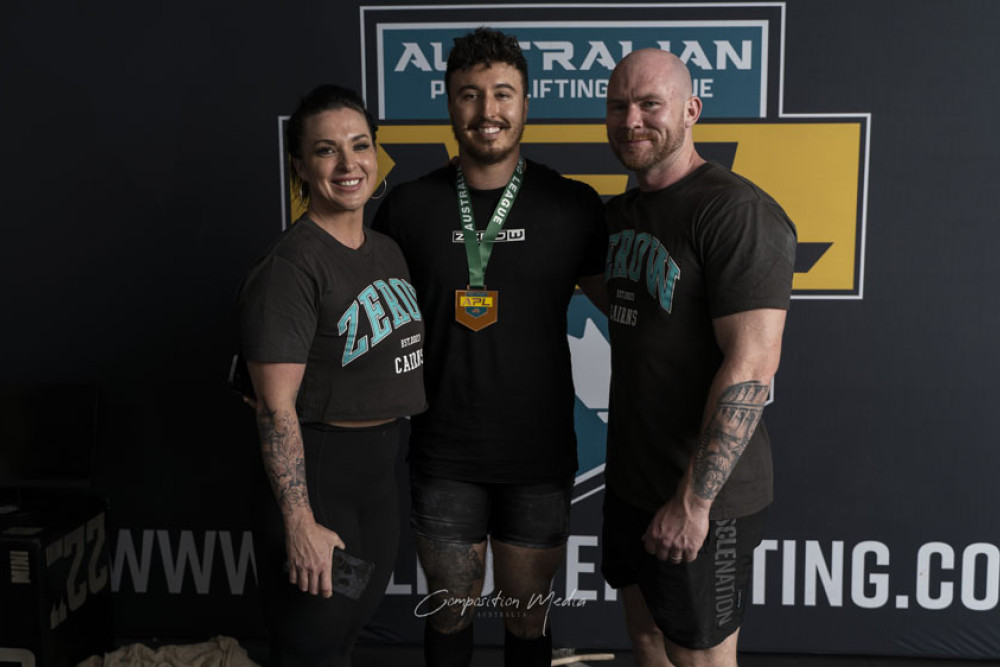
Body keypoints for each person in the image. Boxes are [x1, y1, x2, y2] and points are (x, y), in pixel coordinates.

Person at [371, 28, 607, 667]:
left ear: (527, 104)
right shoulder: (407, 209)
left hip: (539, 454)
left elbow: (632, 312)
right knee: (450, 615)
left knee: (527, 623)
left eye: (503, 93)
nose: (487, 111)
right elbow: (360, 313)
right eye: (469, 95)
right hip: (444, 450)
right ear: (449, 105)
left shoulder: (574, 206)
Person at [600, 49, 797, 667]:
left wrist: (693, 504)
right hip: (633, 481)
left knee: (702, 658)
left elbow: (753, 368)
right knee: (647, 639)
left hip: (703, 495)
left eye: (649, 104)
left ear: (691, 111)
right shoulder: (621, 215)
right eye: (618, 106)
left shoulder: (735, 212)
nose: (631, 120)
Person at [237, 85, 426, 666]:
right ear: (300, 165)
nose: (349, 164)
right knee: (312, 643)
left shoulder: (387, 251)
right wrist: (300, 523)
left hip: (378, 474)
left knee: (344, 635)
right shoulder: (292, 266)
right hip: (322, 477)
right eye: (326, 150)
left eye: (360, 145)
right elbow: (273, 409)